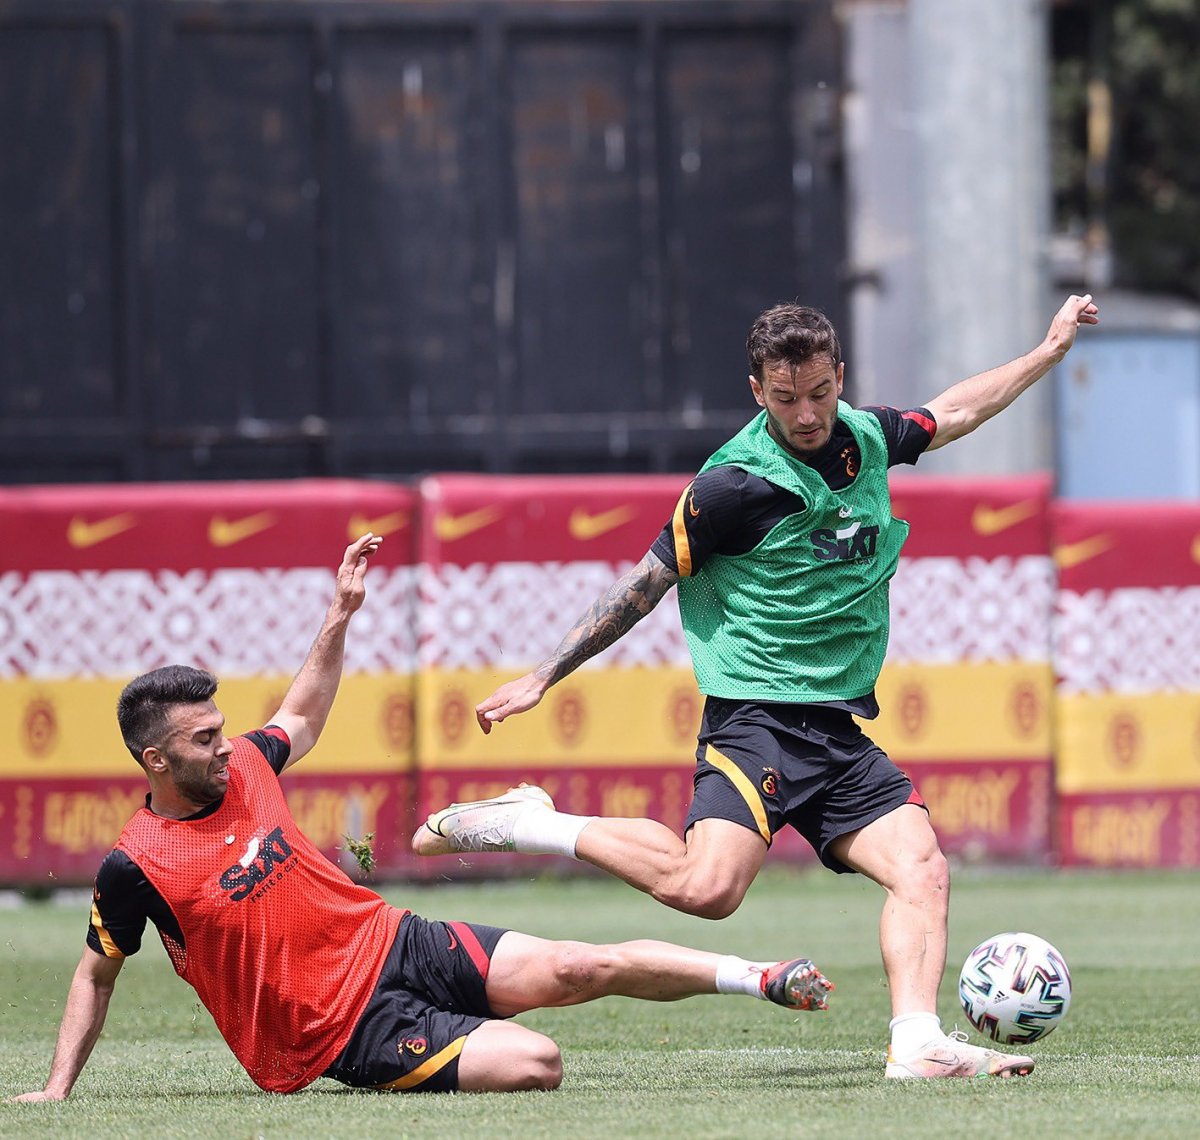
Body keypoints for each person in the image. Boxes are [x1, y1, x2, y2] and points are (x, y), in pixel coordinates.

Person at [413, 294, 1102, 1081]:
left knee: (923, 867)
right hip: (757, 719)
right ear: (756, 391)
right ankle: (535, 824)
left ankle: (916, 1042)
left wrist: (1046, 354)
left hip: (836, 730)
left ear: (839, 378)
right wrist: (544, 675)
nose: (806, 414)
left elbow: (955, 410)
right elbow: (642, 587)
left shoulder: (867, 437)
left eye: (819, 394)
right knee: (706, 890)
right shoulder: (731, 487)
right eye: (785, 399)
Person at [9, 534, 833, 1103]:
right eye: (202, 739)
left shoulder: (250, 764)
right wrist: (55, 1088)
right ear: (155, 761)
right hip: (339, 1033)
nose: (227, 746)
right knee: (537, 1064)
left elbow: (300, 712)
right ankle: (468, 1028)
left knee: (583, 965)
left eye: (223, 728)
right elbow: (95, 973)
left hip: (395, 938)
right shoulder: (134, 865)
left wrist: (340, 613)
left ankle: (759, 976)